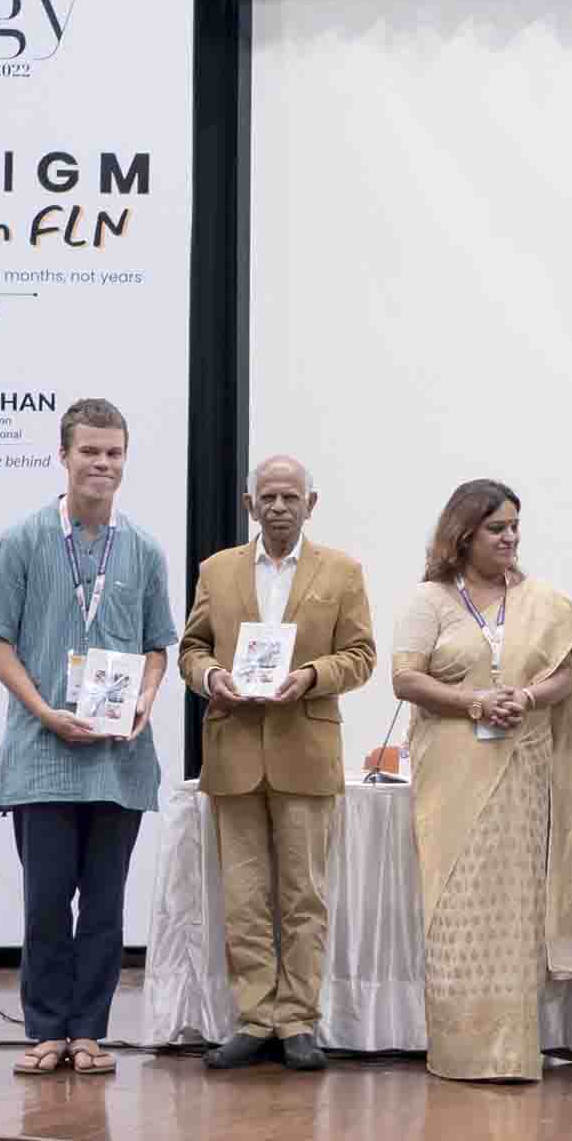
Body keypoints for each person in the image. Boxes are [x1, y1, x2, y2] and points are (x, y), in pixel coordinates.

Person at [0, 399, 177, 1077]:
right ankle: (46, 1031)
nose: (101, 464)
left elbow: (157, 646)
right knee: (45, 904)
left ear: (125, 459)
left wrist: (145, 696)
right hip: (42, 755)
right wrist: (42, 711)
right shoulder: (23, 539)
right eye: (89, 451)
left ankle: (88, 1033)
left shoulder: (143, 548)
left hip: (118, 760)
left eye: (113, 453)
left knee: (106, 909)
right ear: (63, 456)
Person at [391, 480, 572, 1081]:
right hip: (451, 770)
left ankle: (512, 1052)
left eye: (514, 527)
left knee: (513, 909)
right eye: (496, 528)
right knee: (456, 907)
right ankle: (458, 1052)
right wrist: (476, 703)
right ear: (464, 534)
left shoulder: (541, 601)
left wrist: (526, 697)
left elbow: (566, 677)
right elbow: (406, 680)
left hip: (521, 770)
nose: (510, 537)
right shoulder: (430, 600)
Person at [178, 455, 377, 1071]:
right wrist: (210, 676)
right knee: (243, 898)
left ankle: (297, 1021)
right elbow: (192, 648)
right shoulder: (216, 570)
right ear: (250, 505)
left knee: (303, 897)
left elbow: (362, 655)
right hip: (232, 748)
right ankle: (254, 1019)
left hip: (306, 749)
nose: (279, 507)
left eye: (291, 497)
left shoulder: (341, 571)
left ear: (310, 505)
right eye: (268, 497)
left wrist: (312, 676)